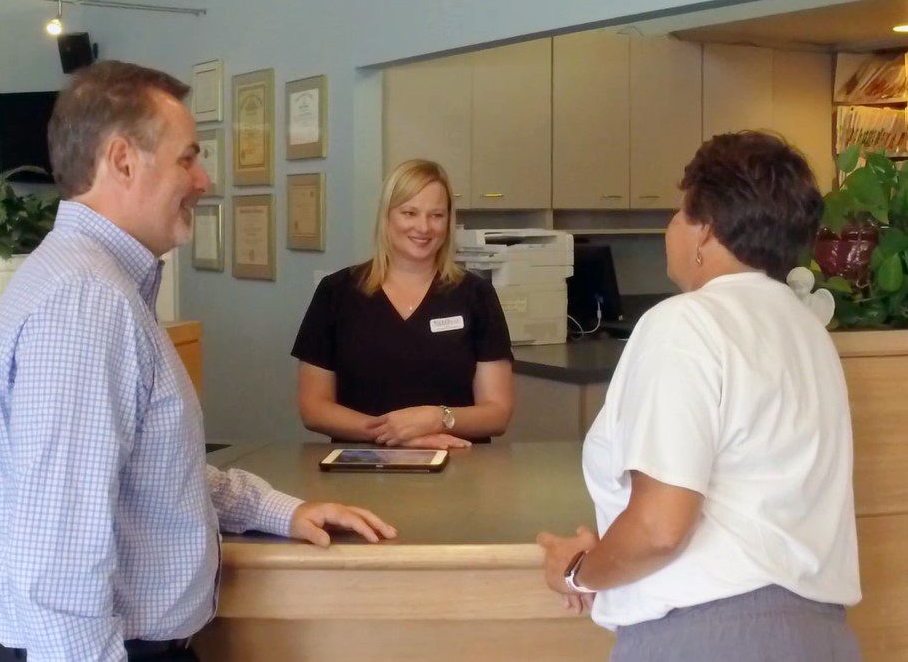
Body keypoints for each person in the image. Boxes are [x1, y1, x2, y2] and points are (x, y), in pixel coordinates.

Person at [0, 60, 396, 662]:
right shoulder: (85, 304)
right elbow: (59, 565)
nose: (204, 180)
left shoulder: (100, 287)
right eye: (188, 158)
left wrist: (282, 509)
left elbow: (153, 474)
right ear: (122, 160)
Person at [538, 132, 861, 661]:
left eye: (676, 212)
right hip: (823, 638)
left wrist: (576, 572)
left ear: (704, 231)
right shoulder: (808, 334)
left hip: (710, 638)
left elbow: (660, 528)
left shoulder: (686, 323)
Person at [292, 159, 514, 450]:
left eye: (436, 215)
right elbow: (314, 409)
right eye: (409, 212)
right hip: (360, 467)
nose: (423, 227)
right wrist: (393, 433)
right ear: (387, 216)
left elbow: (497, 413)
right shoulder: (337, 293)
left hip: (458, 469)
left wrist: (437, 419)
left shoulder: (476, 295)